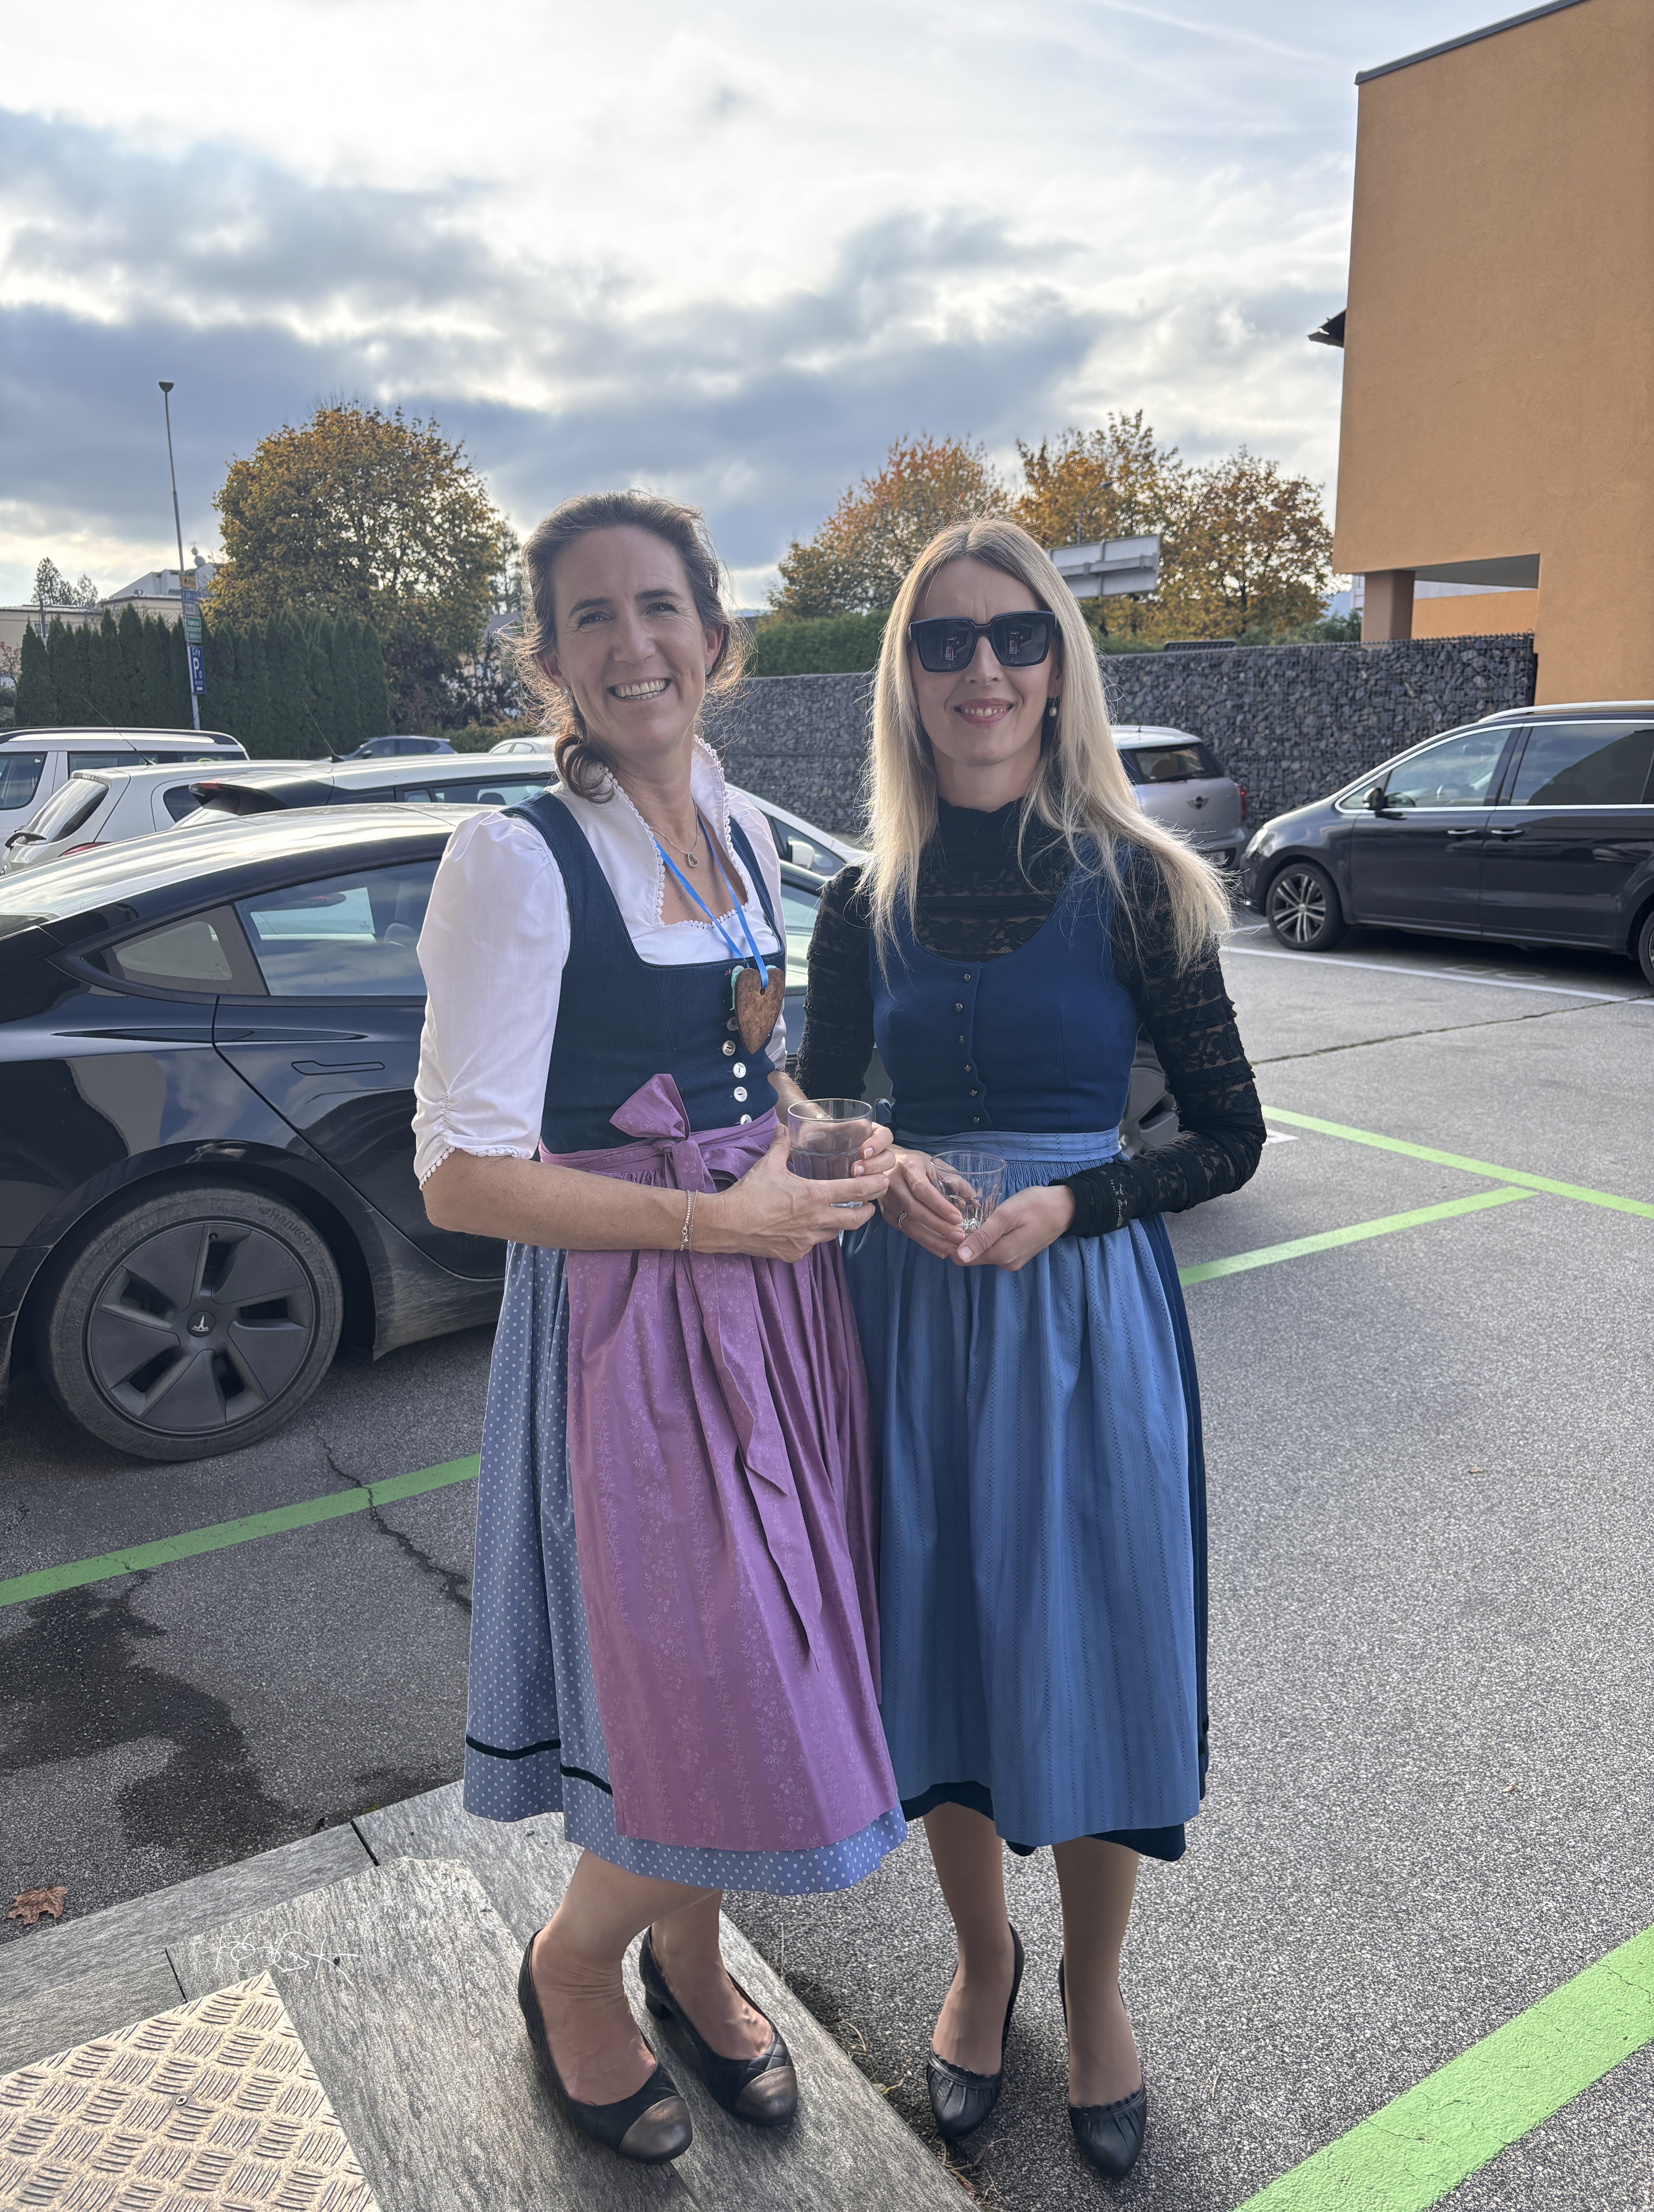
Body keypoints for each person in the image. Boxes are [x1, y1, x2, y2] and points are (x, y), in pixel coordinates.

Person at [414, 489, 903, 2167]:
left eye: (659, 608)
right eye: (591, 617)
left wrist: (827, 1139)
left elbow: (749, 1072)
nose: (633, 644)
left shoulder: (746, 833)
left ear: (716, 635)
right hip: (635, 1322)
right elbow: (460, 1178)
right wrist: (714, 1219)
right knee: (715, 1672)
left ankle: (691, 1953)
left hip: (770, 1303)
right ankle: (573, 1963)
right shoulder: (516, 860)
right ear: (549, 661)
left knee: (754, 1653)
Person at [796, 516, 1264, 2178]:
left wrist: (1078, 1201)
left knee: (1100, 1644)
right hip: (911, 1313)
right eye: (945, 641)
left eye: (1015, 636)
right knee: (940, 1639)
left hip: (1085, 1318)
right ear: (907, 679)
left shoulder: (1140, 883)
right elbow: (823, 1103)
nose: (981, 669)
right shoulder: (861, 900)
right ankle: (981, 1961)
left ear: (1060, 664)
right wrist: (872, 1159)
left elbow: (1229, 1137)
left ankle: (1096, 1980)